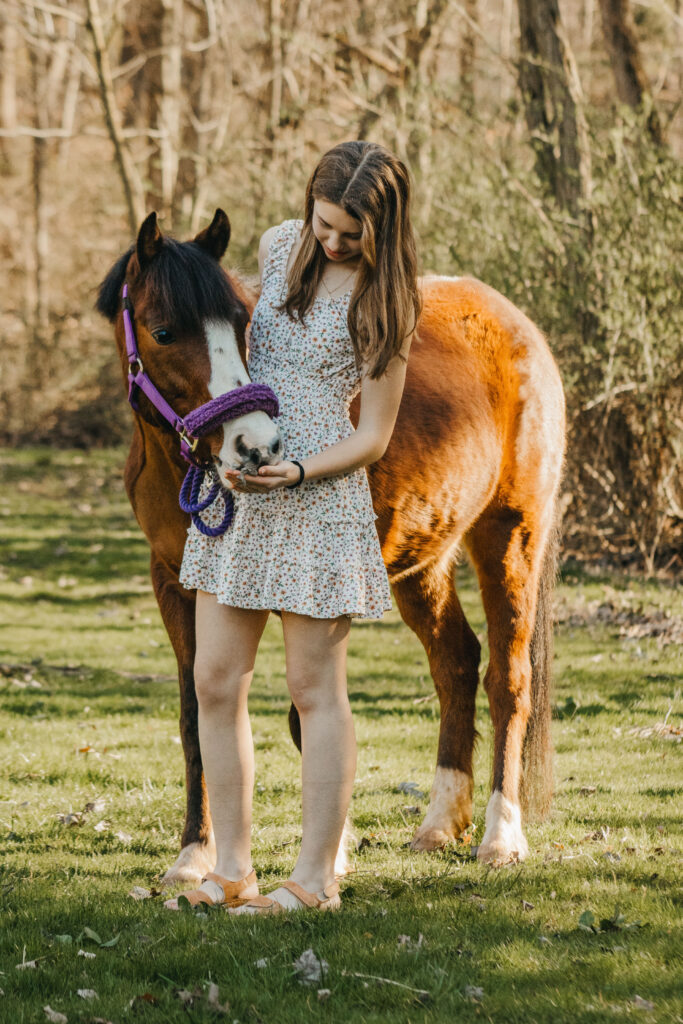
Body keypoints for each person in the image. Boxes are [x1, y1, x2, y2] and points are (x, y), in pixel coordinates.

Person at [166, 140, 421, 914]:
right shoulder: (279, 245)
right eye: (327, 225)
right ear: (307, 208)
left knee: (314, 691)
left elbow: (373, 435)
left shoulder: (389, 301)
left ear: (383, 229)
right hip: (242, 479)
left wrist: (301, 471)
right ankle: (231, 869)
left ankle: (314, 880)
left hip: (317, 494)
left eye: (352, 233)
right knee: (215, 679)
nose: (336, 243)